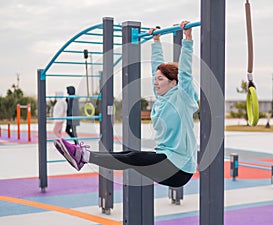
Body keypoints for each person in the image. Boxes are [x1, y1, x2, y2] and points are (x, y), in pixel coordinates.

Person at [53, 21, 199, 188]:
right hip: (165, 160)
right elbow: (155, 68)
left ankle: (83, 156)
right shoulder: (161, 99)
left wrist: (187, 39)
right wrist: (156, 41)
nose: (156, 82)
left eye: (160, 79)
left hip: (180, 169)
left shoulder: (183, 98)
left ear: (174, 83)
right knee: (129, 154)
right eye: (155, 79)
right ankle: (83, 157)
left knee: (134, 158)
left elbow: (185, 73)